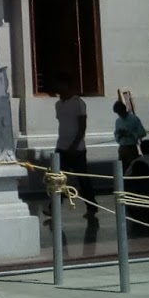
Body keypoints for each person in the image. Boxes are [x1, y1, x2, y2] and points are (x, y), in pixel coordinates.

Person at [50, 79, 95, 224]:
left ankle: (91, 206)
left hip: (77, 149)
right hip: (61, 146)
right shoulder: (58, 104)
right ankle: (54, 207)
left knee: (83, 179)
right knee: (58, 179)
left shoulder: (78, 103)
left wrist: (75, 144)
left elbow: (82, 126)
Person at [112, 99, 146, 167]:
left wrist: (130, 134)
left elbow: (142, 133)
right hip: (122, 147)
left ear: (124, 110)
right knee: (122, 168)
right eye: (118, 113)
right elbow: (116, 135)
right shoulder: (118, 121)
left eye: (120, 113)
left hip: (132, 147)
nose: (119, 115)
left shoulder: (134, 119)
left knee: (132, 167)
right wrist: (119, 135)